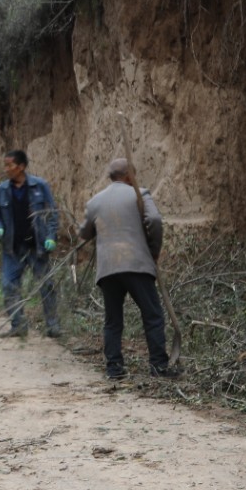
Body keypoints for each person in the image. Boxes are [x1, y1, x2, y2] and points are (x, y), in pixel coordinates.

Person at [78, 158, 179, 379]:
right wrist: (154, 250)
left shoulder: (95, 202)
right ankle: (158, 367)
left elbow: (84, 233)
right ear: (129, 176)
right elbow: (153, 219)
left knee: (113, 321)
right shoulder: (140, 193)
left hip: (108, 269)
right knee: (152, 315)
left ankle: (114, 369)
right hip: (137, 264)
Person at [0, 150, 60, 337]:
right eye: (4, 165)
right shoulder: (3, 190)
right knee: (8, 285)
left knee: (46, 285)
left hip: (36, 247)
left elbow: (52, 213)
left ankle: (52, 325)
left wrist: (51, 236)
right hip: (12, 249)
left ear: (21, 166)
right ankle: (18, 325)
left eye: (9, 165)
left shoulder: (40, 186)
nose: (6, 169)